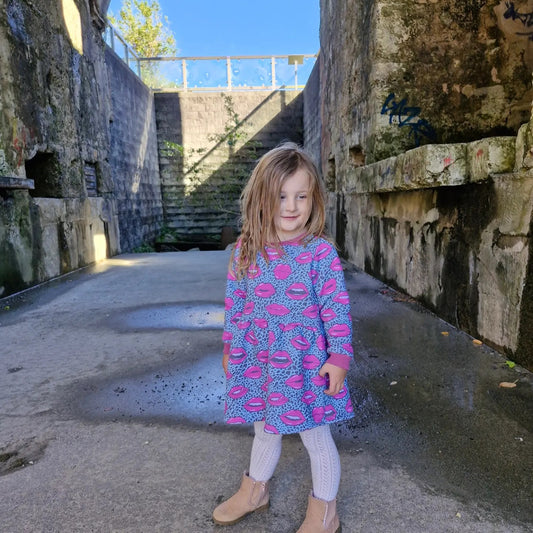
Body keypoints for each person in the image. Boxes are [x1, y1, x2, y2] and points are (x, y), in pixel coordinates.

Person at [213, 142, 354, 533]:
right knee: (264, 426)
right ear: (263, 197)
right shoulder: (245, 250)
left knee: (315, 434)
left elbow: (336, 309)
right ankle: (255, 489)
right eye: (280, 196)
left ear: (314, 199)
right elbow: (236, 302)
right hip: (259, 360)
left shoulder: (320, 254)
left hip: (307, 364)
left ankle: (325, 511)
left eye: (301, 196)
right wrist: (230, 345)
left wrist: (339, 356)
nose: (291, 206)